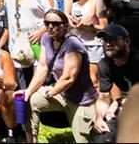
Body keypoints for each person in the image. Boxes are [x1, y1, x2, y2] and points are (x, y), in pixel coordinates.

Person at [17, 9, 98, 144]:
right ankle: (31, 141)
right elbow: (43, 67)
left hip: (80, 99)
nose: (50, 27)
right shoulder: (45, 38)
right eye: (47, 23)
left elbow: (68, 78)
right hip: (60, 93)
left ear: (65, 26)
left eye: (55, 24)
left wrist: (52, 92)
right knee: (28, 101)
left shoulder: (73, 44)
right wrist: (28, 92)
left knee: (83, 140)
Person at [3, 0, 56, 86]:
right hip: (17, 46)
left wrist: (40, 32)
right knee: (22, 84)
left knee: (39, 82)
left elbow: (54, 15)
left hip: (37, 43)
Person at [94, 24, 139, 138]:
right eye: (105, 40)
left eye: (113, 40)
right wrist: (99, 118)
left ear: (127, 42)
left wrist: (120, 102)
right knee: (104, 138)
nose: (108, 44)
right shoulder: (105, 65)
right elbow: (103, 97)